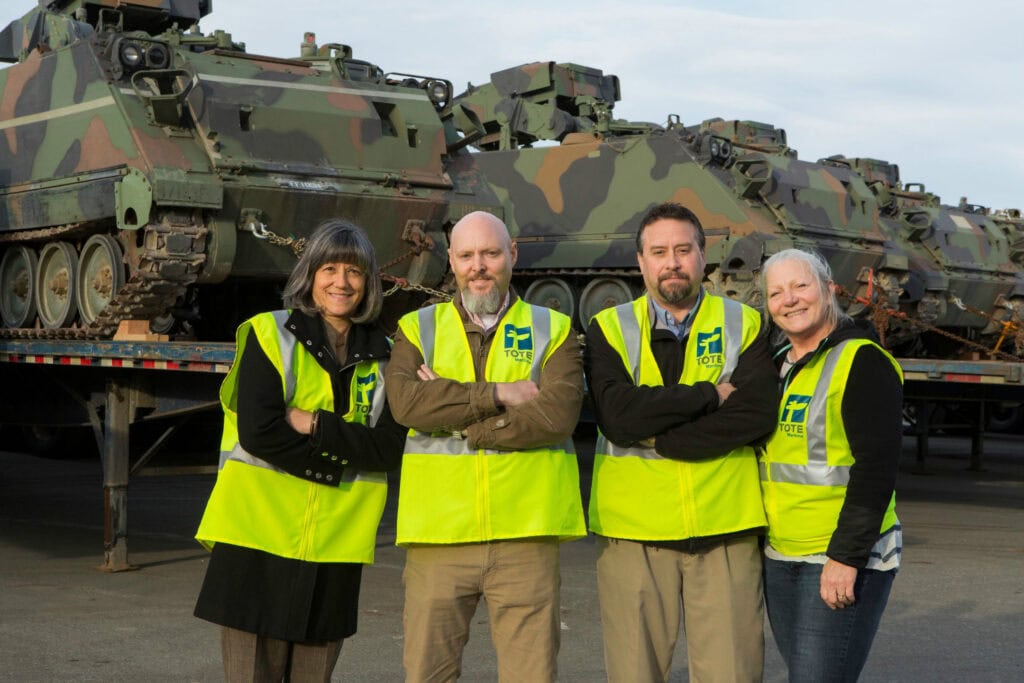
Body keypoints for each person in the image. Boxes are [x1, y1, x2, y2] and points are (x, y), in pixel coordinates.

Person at [193, 220, 406, 681]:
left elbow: (389, 449)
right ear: (309, 275)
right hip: (257, 534)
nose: (341, 282)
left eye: (354, 271)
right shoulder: (269, 334)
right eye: (329, 268)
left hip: (336, 543)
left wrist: (314, 424)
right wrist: (343, 458)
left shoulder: (388, 354)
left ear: (370, 282)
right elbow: (260, 432)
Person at [385, 210, 586, 683]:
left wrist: (461, 422)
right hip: (439, 536)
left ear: (512, 255)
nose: (479, 266)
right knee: (427, 675)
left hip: (526, 536)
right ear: (451, 261)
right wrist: (499, 394)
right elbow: (407, 405)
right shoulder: (417, 328)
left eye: (491, 254)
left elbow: (555, 417)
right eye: (468, 255)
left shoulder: (554, 329)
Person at [585, 202, 777, 683]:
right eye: (659, 251)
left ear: (702, 255)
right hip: (634, 537)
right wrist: (711, 394)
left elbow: (753, 416)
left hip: (725, 533)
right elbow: (618, 418)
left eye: (683, 249)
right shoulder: (608, 328)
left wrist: (665, 439)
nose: (672, 261)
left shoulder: (746, 324)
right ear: (641, 263)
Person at [759, 248, 903, 682]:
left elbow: (876, 469)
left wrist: (846, 556)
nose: (790, 300)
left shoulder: (861, 361)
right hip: (781, 552)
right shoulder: (777, 366)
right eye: (776, 292)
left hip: (838, 556)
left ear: (828, 289)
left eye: (801, 286)